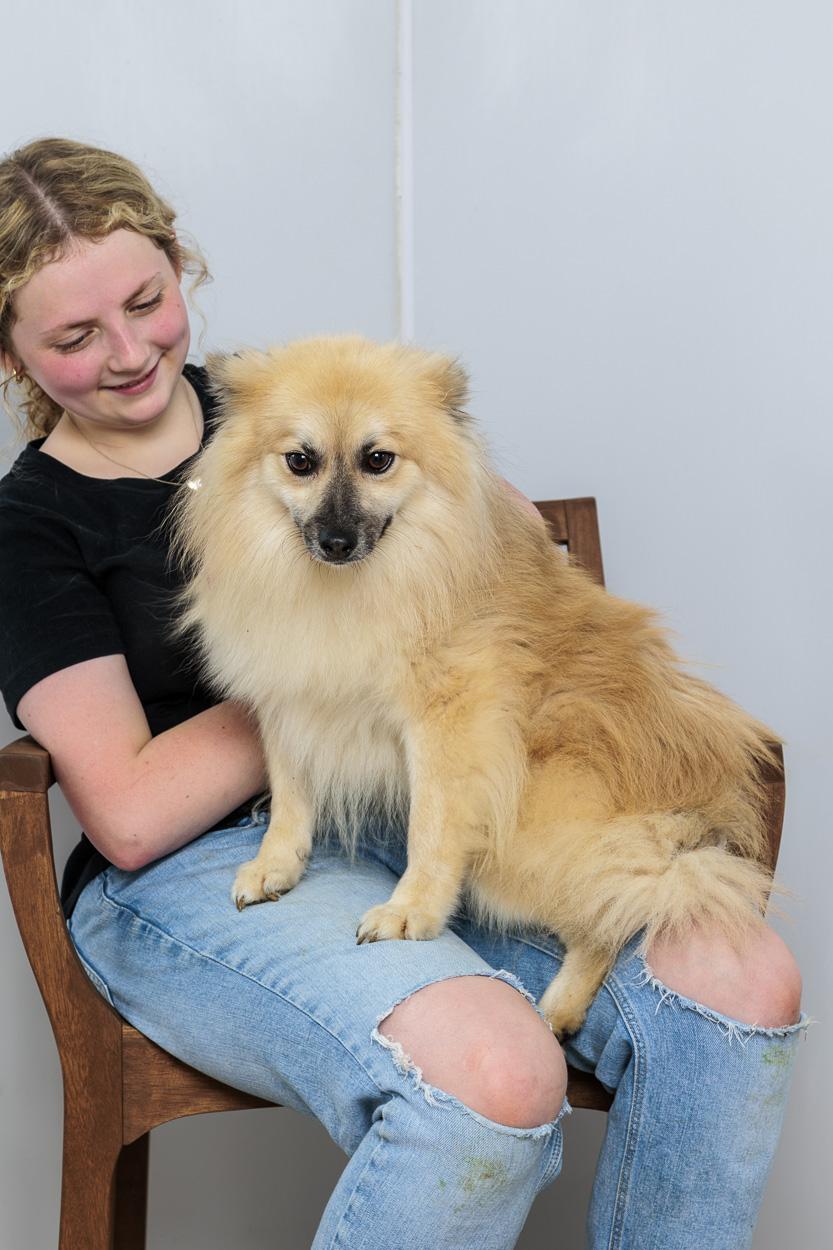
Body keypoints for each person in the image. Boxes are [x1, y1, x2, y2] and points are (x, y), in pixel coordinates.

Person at [0, 137, 805, 1250]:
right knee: (493, 1069)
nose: (130, 351)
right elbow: (129, 812)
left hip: (412, 796)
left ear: (180, 265)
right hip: (194, 873)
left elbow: (505, 543)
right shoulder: (32, 526)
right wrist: (320, 672)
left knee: (738, 977)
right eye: (76, 336)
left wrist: (419, 619)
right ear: (11, 351)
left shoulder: (289, 394)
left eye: (145, 299)